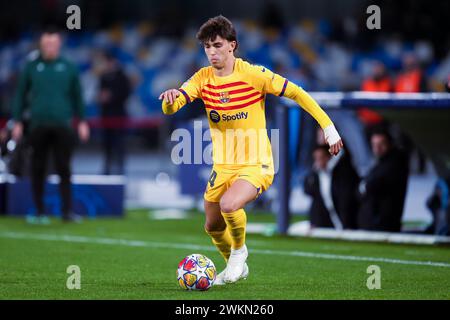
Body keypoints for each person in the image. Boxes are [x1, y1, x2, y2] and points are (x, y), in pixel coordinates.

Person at [159, 16, 343, 285]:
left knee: (229, 205)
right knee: (212, 225)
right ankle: (235, 265)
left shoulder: (254, 75)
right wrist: (169, 100)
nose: (212, 52)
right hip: (222, 165)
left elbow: (297, 93)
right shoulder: (202, 78)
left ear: (232, 45)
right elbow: (173, 106)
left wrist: (328, 127)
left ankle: (238, 254)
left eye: (217, 45)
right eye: (207, 47)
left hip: (256, 163)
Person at [11, 28, 90, 224]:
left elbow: (77, 96)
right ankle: (38, 211)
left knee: (64, 168)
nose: (50, 47)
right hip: (38, 124)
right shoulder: (31, 66)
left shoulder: (68, 66)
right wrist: (18, 121)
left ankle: (67, 211)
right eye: (46, 44)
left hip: (62, 124)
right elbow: (20, 95)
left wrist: (82, 121)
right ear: (41, 44)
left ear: (59, 44)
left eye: (53, 44)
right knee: (37, 168)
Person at [357, 130, 409, 232]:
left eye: (381, 144)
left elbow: (373, 186)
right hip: (376, 222)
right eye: (374, 145)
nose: (377, 148)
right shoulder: (379, 164)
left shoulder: (394, 164)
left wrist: (365, 187)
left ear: (390, 144)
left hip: (384, 223)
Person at [304, 144, 359, 230]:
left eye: (321, 158)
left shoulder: (339, 174)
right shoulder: (315, 177)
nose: (318, 161)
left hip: (344, 219)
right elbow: (308, 191)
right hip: (326, 221)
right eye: (316, 158)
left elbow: (344, 201)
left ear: (328, 157)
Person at [97, 51, 131, 175]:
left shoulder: (122, 77)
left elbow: (126, 93)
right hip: (106, 115)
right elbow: (100, 94)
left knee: (119, 143)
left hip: (118, 114)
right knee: (107, 144)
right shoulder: (103, 77)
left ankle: (120, 168)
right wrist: (102, 98)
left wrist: (111, 96)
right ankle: (107, 167)